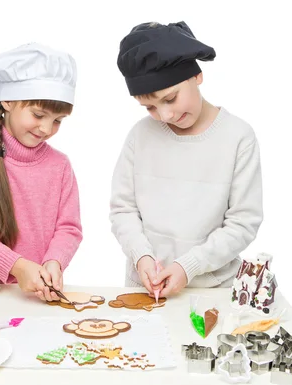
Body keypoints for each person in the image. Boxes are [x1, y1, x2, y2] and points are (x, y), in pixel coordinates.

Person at [110, 21, 263, 297]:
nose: (165, 115)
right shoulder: (140, 135)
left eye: (170, 98)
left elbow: (242, 222)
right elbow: (123, 209)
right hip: (144, 289)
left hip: (212, 291)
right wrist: (141, 256)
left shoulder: (238, 137)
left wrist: (188, 266)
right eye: (150, 107)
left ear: (197, 76)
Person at [0, 43, 83, 302]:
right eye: (38, 114)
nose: (46, 128)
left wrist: (54, 263)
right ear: (8, 101)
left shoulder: (60, 165)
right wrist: (17, 266)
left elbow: (69, 227)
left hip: (44, 295)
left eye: (57, 120)